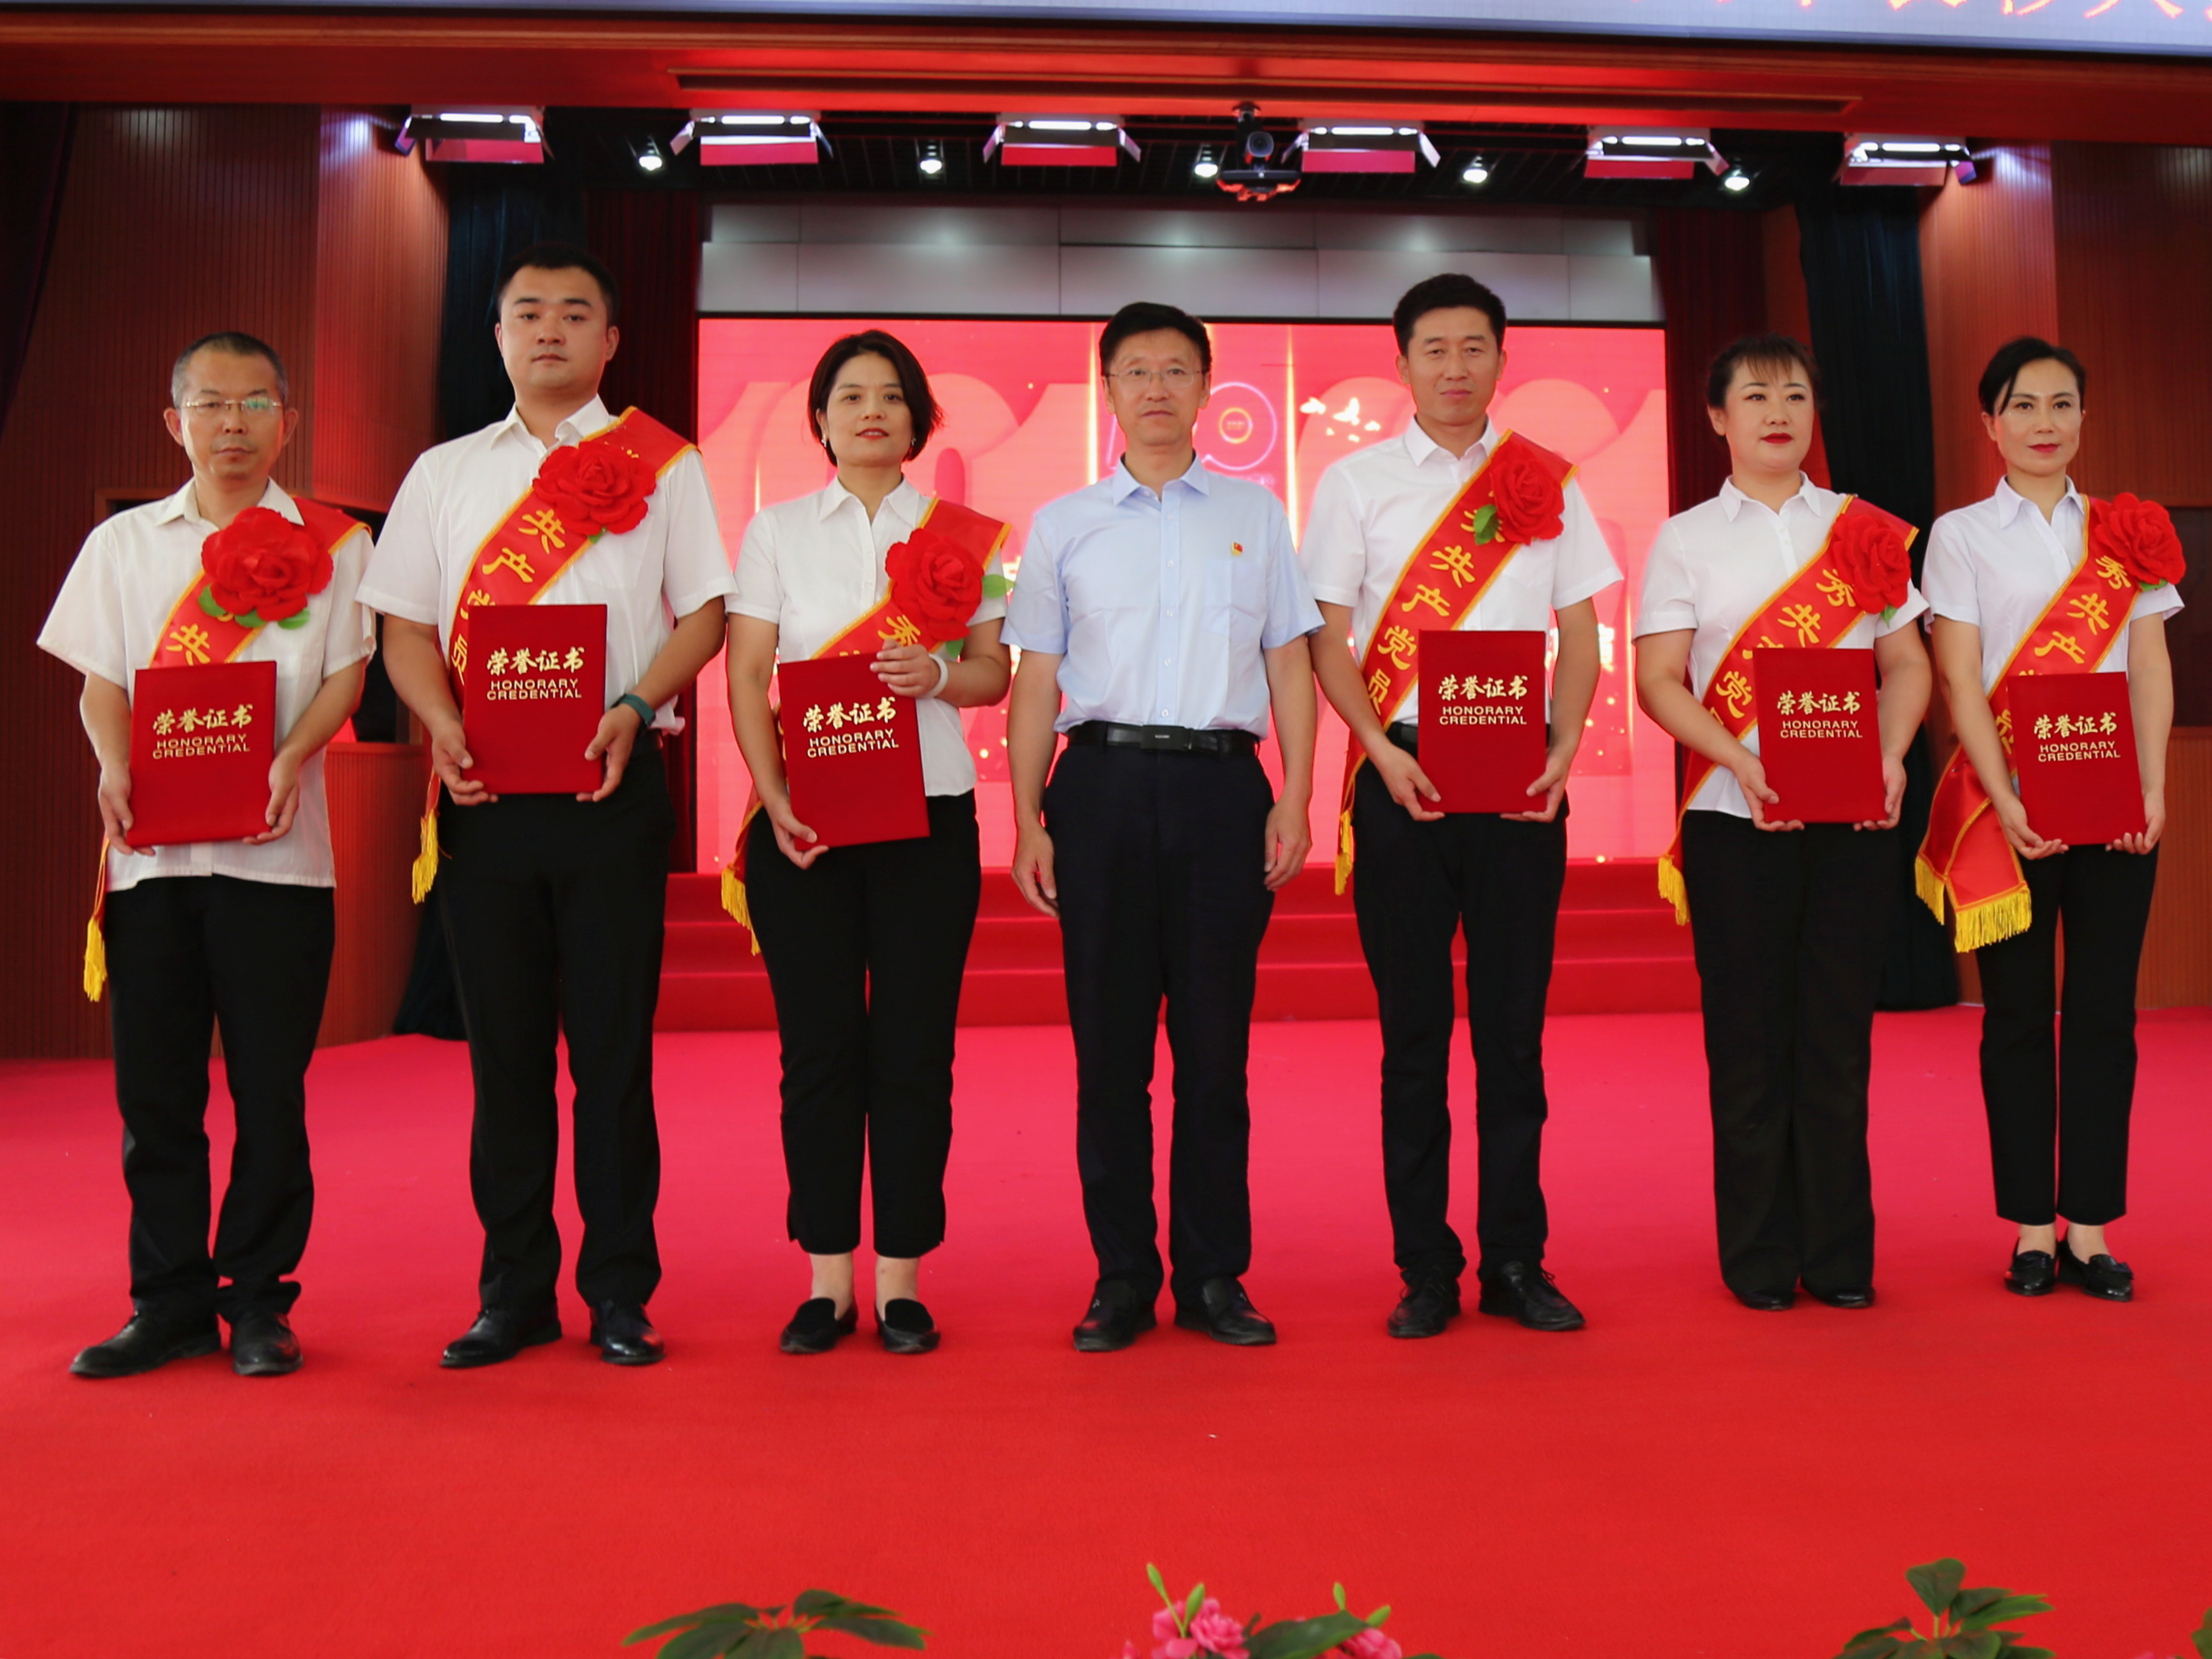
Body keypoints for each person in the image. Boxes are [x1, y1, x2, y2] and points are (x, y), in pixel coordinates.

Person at [360, 242, 734, 1368]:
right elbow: (404, 626)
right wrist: (441, 723)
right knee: (506, 1058)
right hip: (483, 793)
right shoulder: (443, 474)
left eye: (575, 313)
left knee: (613, 1057)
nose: (550, 330)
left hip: (613, 783)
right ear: (497, 335)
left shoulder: (666, 464)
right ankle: (513, 1290)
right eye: (528, 312)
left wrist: (637, 701)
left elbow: (705, 613)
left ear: (610, 340)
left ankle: (620, 1289)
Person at [39, 331, 372, 1378]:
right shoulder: (123, 546)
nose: (234, 423)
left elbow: (346, 676)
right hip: (151, 867)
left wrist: (292, 757)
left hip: (279, 865)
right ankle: (169, 1301)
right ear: (174, 421)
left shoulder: (336, 544)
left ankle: (261, 1300)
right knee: (158, 1096)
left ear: (288, 420)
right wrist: (112, 763)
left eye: (255, 403)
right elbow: (101, 681)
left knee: (270, 1094)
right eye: (212, 404)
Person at [1301, 274, 1620, 1339]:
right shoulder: (1354, 483)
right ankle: (1424, 1266)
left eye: (1473, 347)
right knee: (1413, 1038)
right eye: (1433, 348)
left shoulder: (1544, 480)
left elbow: (1578, 631)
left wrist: (1564, 747)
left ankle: (1516, 1258)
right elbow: (1327, 639)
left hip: (1520, 777)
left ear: (1500, 360)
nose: (1453, 366)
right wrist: (1375, 755)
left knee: (1513, 1035)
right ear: (1400, 363)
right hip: (1403, 776)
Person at [1004, 300, 1322, 1353]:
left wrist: (1294, 794)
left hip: (1223, 793)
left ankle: (1214, 1274)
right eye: (1135, 370)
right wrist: (1026, 819)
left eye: (1175, 369)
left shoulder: (1254, 513)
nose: (1155, 388)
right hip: (1096, 789)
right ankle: (1121, 1276)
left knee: (1214, 1053)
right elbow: (1036, 680)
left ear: (1205, 388)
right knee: (1109, 1055)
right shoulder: (1064, 523)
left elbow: (1287, 660)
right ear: (1108, 388)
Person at [1633, 333, 1931, 1313]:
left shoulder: (1862, 528)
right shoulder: (1684, 538)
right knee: (1749, 1042)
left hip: (1851, 819)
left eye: (1795, 395)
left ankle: (1839, 1254)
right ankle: (1759, 1254)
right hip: (1734, 820)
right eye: (1755, 396)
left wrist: (1890, 753)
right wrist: (1736, 759)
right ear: (1716, 417)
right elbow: (1659, 679)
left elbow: (1906, 664)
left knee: (1837, 1039)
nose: (1777, 412)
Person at [726, 330, 1011, 1355]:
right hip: (808, 825)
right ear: (820, 419)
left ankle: (900, 1280)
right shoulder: (775, 531)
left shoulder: (965, 537)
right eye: (850, 396)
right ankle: (825, 1279)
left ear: (919, 418)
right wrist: (772, 798)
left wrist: (940, 676)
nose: (872, 412)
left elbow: (994, 672)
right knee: (818, 1051)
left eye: (891, 396)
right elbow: (746, 671)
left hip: (928, 821)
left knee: (913, 1051)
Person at [1917, 337, 2181, 1302]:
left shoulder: (2125, 529)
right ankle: (2032, 1227)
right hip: (2009, 808)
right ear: (1990, 424)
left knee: (2105, 1016)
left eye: (2061, 404)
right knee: (2020, 1016)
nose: (2043, 423)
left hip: (2115, 808)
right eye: (2022, 406)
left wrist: (2151, 789)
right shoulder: (1958, 535)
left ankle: (2092, 1228)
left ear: (2083, 418)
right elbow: (1958, 676)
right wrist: (2006, 795)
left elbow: (2147, 664)